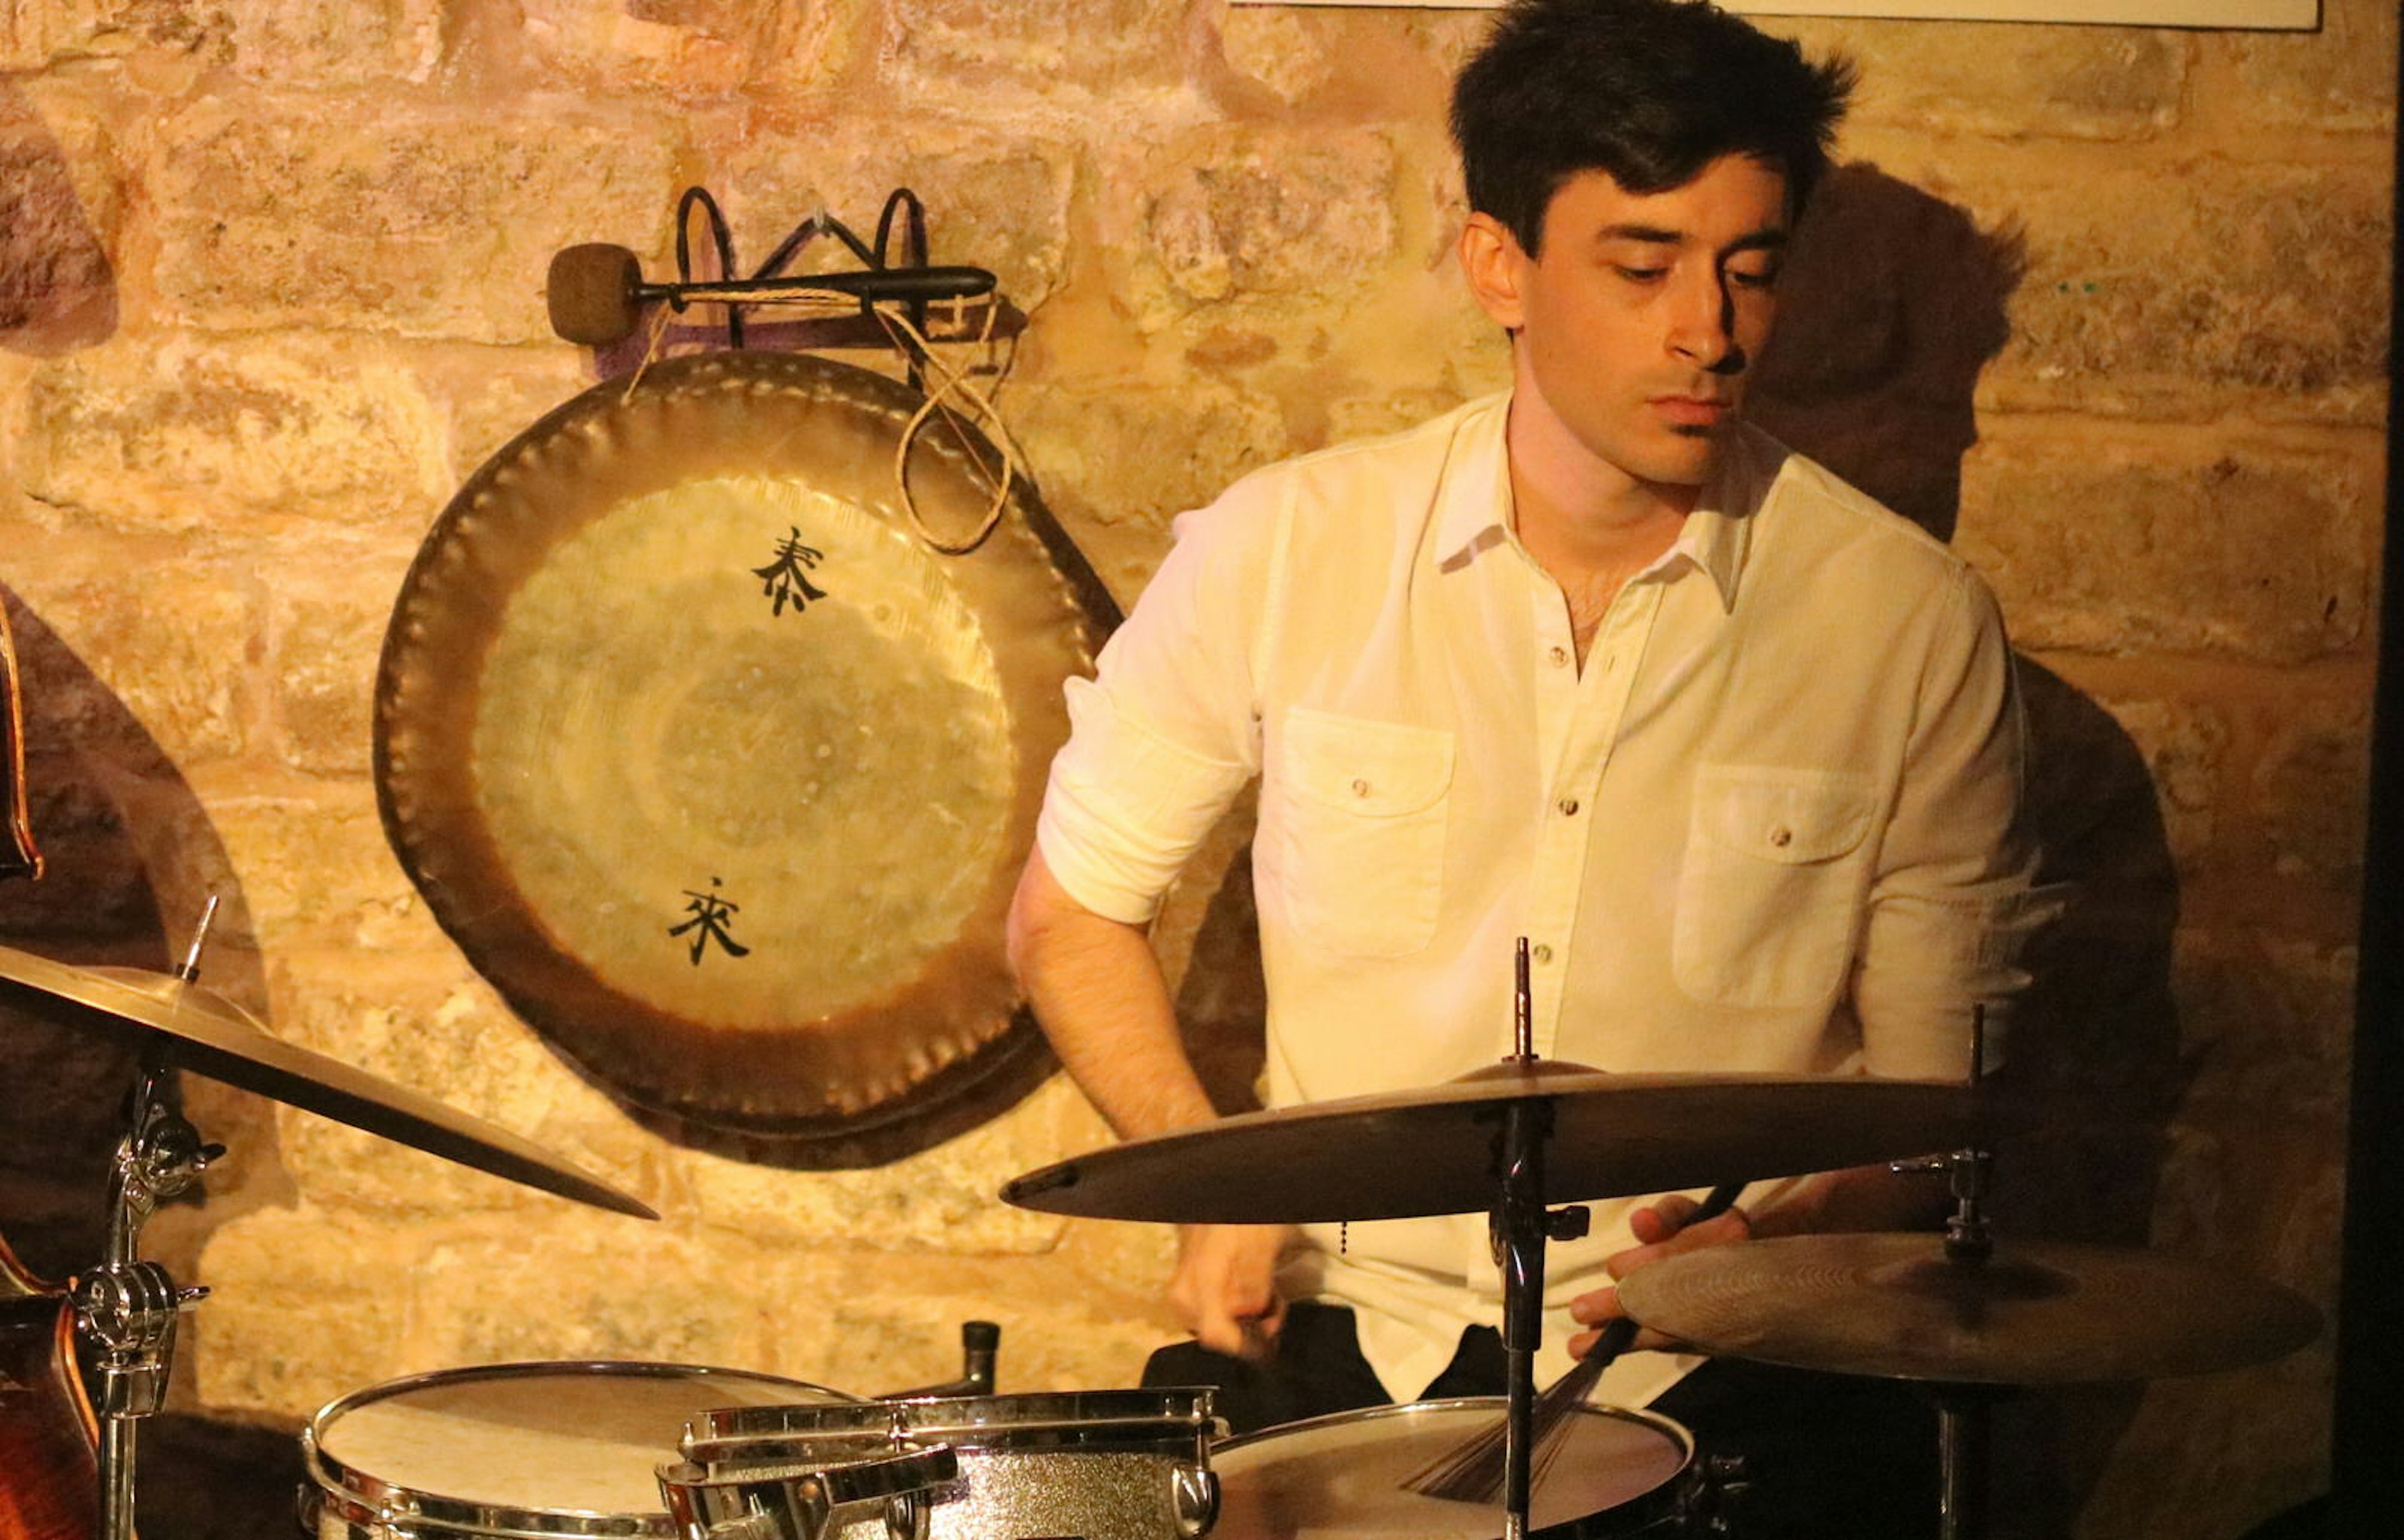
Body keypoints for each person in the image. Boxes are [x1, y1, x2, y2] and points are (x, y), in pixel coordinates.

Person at [1007, 0, 2048, 1532]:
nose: (1713, 331)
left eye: (1749, 268)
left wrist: (1790, 1243)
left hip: (1725, 1361)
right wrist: (1208, 1174)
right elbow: (1068, 911)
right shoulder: (1285, 552)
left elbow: (1935, 1097)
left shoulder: (1907, 623)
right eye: (1643, 269)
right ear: (1502, 264)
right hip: (1351, 1339)